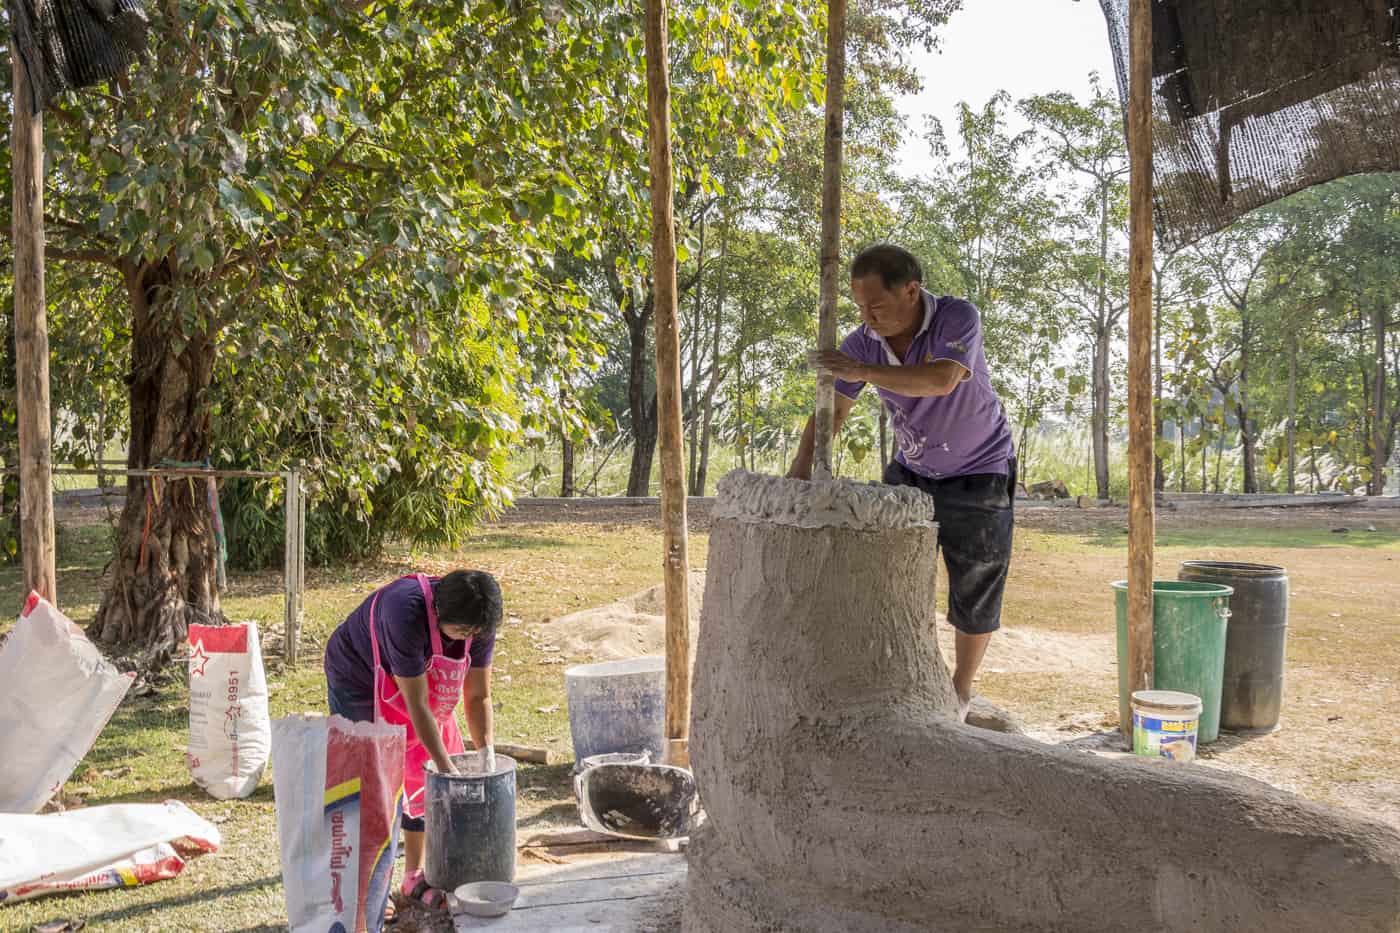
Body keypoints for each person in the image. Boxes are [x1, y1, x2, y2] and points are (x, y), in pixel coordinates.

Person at [787, 243, 1016, 723]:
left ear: (911, 290)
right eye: (860, 307)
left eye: (877, 305)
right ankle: (899, 671)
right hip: (912, 469)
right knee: (888, 573)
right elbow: (833, 413)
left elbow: (941, 380)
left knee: (975, 581)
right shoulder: (863, 343)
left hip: (980, 468)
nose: (868, 317)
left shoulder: (957, 318)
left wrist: (864, 371)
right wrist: (796, 477)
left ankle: (961, 689)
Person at [323, 568, 502, 910]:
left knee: (424, 780)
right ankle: (367, 894)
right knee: (376, 784)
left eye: (476, 633)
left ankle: (413, 875)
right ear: (436, 613)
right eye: (463, 632)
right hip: (359, 677)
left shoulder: (477, 619)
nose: (471, 637)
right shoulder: (403, 610)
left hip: (417, 688)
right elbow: (417, 704)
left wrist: (486, 753)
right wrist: (446, 769)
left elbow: (478, 696)